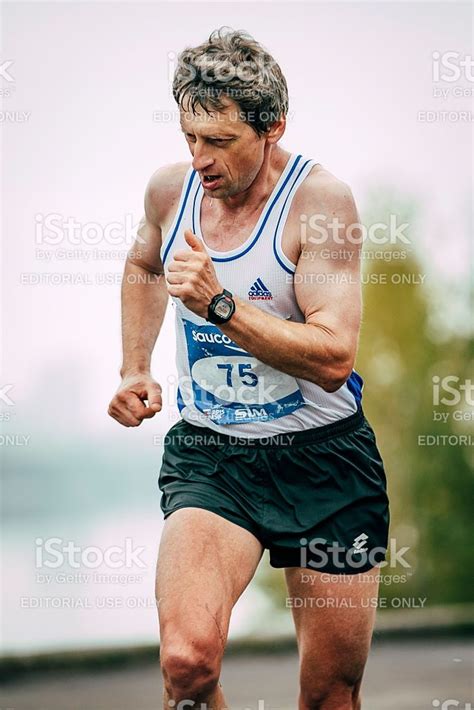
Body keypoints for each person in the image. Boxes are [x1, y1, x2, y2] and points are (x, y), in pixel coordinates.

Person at [108, 27, 389, 710]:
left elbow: (332, 358)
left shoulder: (320, 204)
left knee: (329, 694)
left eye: (221, 142)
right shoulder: (170, 194)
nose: (200, 159)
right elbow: (145, 266)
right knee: (186, 665)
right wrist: (133, 367)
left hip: (325, 464)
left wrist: (221, 305)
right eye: (190, 139)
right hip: (213, 455)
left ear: (272, 128)